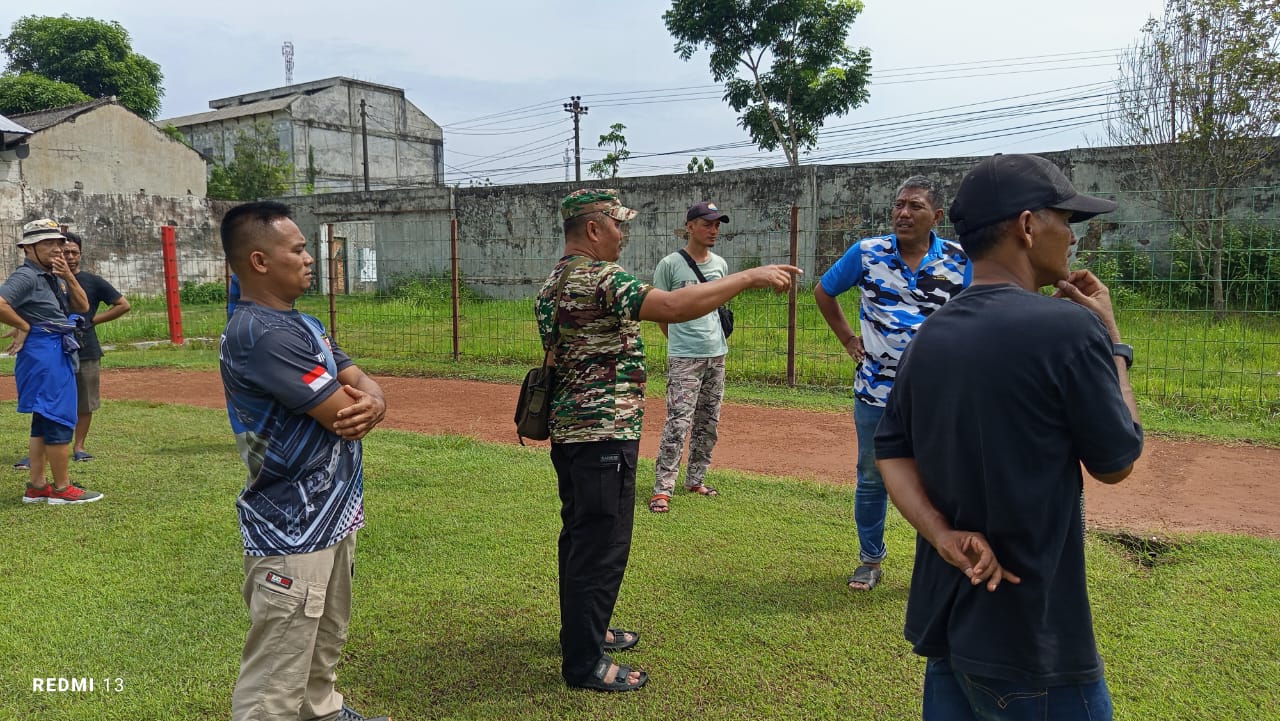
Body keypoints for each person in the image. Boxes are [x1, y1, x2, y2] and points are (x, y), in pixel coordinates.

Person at [874, 154, 1143, 721]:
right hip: (1032, 643)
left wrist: (943, 534)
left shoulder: (930, 336)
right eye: (1066, 219)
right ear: (1026, 226)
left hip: (950, 629)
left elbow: (891, 451)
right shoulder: (1069, 330)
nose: (1071, 237)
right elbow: (1117, 461)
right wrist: (1112, 338)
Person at [538, 188, 797, 692]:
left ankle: (585, 634)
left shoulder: (556, 279)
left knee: (580, 538)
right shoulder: (600, 276)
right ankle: (583, 664)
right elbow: (674, 306)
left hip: (572, 432)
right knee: (601, 545)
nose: (623, 233)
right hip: (603, 433)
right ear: (594, 229)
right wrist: (747, 277)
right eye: (617, 224)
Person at [219, 201, 389, 721]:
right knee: (275, 674)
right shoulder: (261, 334)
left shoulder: (300, 324)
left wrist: (376, 398)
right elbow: (341, 411)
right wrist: (368, 401)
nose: (310, 256)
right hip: (290, 523)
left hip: (330, 515)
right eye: (297, 248)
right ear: (260, 261)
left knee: (323, 636)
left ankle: (322, 711)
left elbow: (356, 378)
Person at [813, 176, 970, 591]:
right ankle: (870, 560)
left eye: (914, 206)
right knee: (871, 475)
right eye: (898, 205)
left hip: (938, 396)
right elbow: (824, 291)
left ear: (936, 216)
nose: (903, 213)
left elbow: (984, 308)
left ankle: (940, 557)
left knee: (940, 477)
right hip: (876, 390)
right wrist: (849, 338)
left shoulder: (959, 260)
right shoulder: (867, 253)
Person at [0, 219, 100, 505]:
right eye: (48, 243)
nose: (57, 248)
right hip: (45, 352)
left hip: (52, 350)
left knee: (42, 420)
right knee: (57, 417)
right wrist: (25, 325)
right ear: (28, 248)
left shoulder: (52, 275)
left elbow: (82, 307)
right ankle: (61, 489)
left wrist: (68, 276)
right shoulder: (28, 276)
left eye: (58, 242)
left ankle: (36, 485)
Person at [649, 201, 731, 513]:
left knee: (708, 422)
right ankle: (662, 489)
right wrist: (680, 342)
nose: (713, 230)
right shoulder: (669, 265)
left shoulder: (720, 265)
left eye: (717, 225)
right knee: (678, 423)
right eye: (707, 224)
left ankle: (695, 478)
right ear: (690, 226)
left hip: (717, 354)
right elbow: (660, 311)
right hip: (685, 357)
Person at [62, 232, 130, 461]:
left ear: (80, 255)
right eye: (65, 252)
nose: (70, 257)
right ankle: (51, 446)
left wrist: (93, 320)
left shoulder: (92, 281)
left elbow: (122, 305)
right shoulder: (48, 280)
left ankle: (79, 447)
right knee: (54, 399)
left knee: (86, 401)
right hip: (55, 349)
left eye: (74, 252)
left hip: (86, 348)